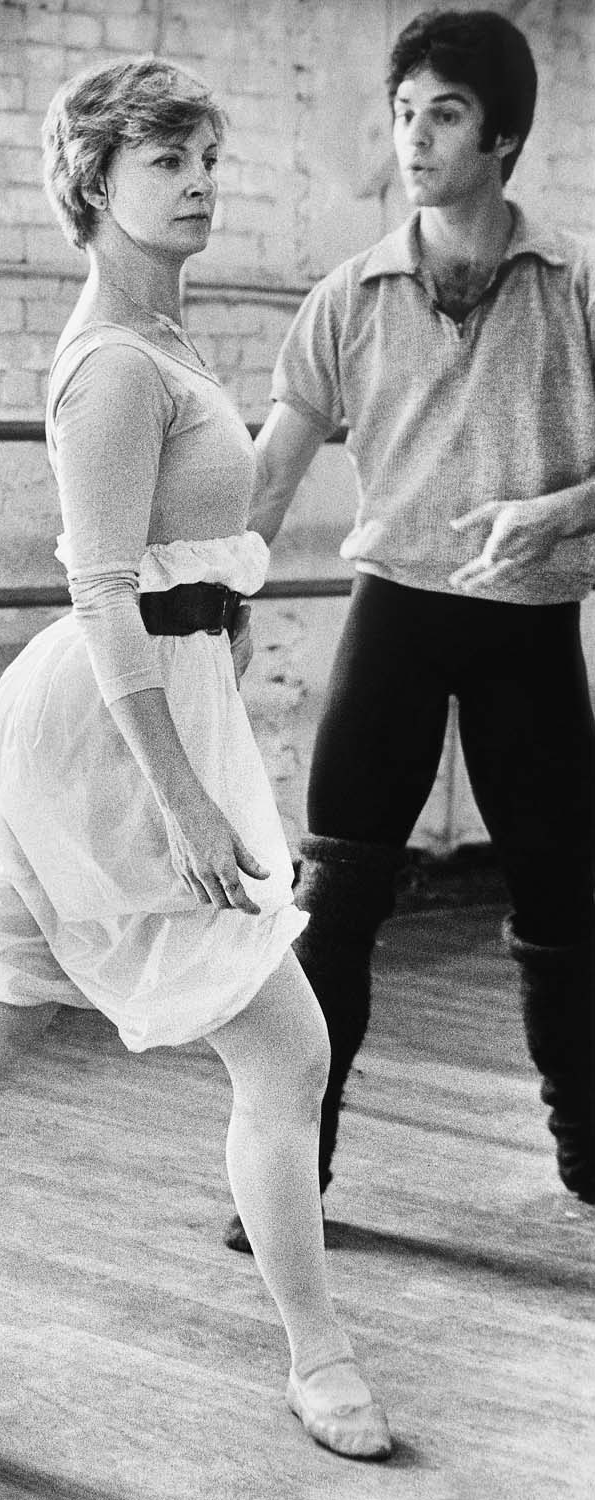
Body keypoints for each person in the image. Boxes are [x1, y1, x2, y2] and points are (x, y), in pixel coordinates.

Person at [0, 56, 392, 1463]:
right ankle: (321, 1362)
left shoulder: (167, 341)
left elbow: (194, 572)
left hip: (147, 714)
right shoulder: (112, 365)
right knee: (286, 1045)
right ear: (93, 184)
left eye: (203, 157)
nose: (195, 183)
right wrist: (182, 796)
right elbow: (103, 591)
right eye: (163, 161)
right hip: (109, 737)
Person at [225, 8, 595, 1255]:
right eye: (403, 114)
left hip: (530, 622)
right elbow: (273, 466)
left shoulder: (577, 279)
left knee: (562, 912)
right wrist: (213, 590)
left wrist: (558, 511)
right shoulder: (350, 294)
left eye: (443, 114)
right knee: (330, 903)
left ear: (501, 136)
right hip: (396, 615)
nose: (415, 138)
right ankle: (291, 1177)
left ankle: (590, 1160)